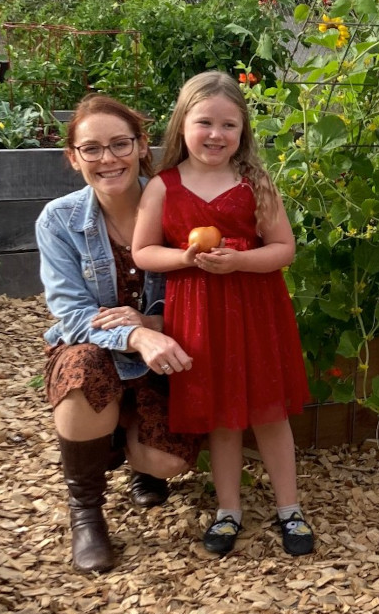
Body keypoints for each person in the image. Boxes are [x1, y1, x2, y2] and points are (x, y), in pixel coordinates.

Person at [132, 71, 315, 557]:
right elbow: (144, 251)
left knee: (270, 413)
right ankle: (228, 510)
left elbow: (283, 249)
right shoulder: (164, 187)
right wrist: (185, 259)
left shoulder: (254, 181)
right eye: (205, 122)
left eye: (229, 125)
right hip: (199, 317)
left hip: (255, 312)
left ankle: (290, 509)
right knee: (223, 418)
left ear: (243, 131)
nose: (216, 134)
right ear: (182, 125)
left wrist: (239, 261)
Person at [37, 94, 206, 573]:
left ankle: (128, 452)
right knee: (82, 367)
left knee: (168, 466)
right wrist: (136, 338)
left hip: (165, 354)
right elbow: (72, 315)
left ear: (141, 145)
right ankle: (86, 512)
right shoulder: (59, 220)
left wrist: (154, 324)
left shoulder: (179, 206)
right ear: (74, 158)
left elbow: (208, 297)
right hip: (99, 350)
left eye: (119, 144)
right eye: (91, 149)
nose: (107, 159)